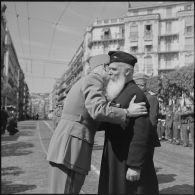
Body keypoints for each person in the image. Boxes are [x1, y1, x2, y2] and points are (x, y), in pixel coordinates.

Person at [46, 54, 148, 194]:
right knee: (66, 190)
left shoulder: (89, 80)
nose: (111, 74)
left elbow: (91, 116)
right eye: (110, 69)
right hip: (71, 146)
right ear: (104, 68)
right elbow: (97, 110)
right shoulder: (94, 79)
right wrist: (126, 112)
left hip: (69, 144)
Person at [98, 51, 160, 195]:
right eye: (109, 69)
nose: (109, 73)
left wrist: (135, 165)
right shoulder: (119, 92)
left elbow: (141, 132)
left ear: (127, 71)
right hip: (116, 157)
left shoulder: (135, 93)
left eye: (113, 69)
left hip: (127, 160)